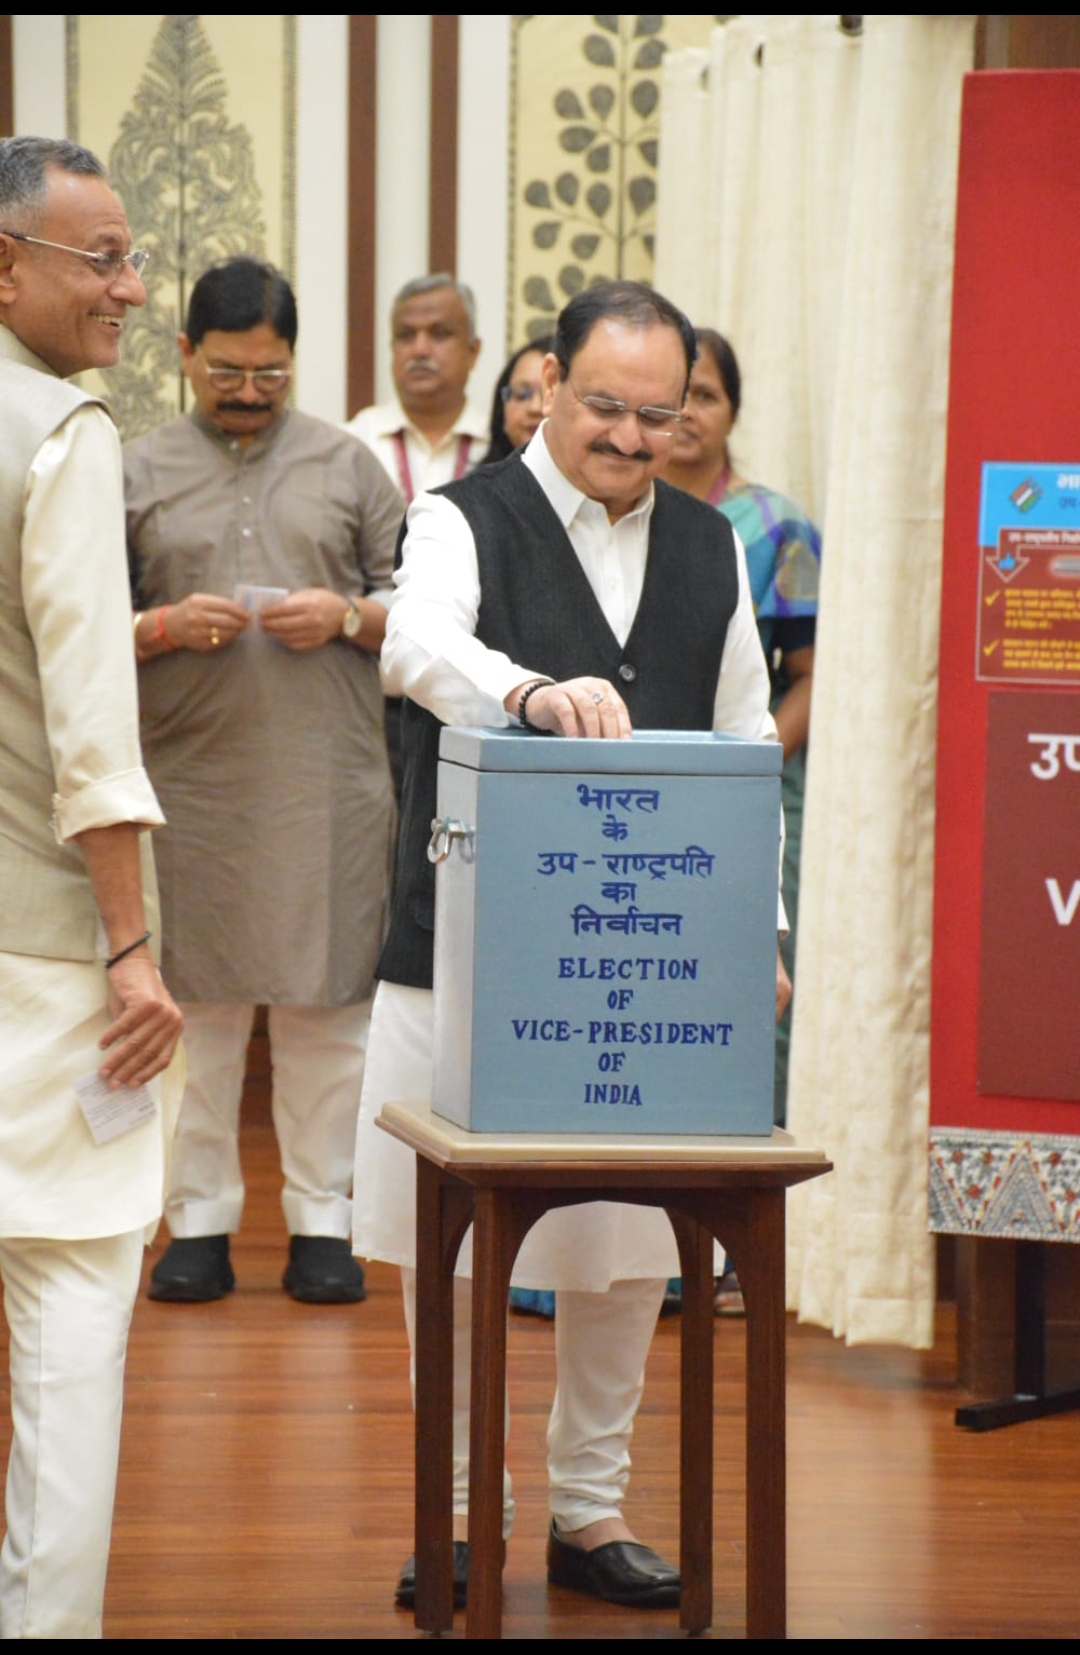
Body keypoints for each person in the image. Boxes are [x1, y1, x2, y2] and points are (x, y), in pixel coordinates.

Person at [352, 280, 790, 1611]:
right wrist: (526, 690)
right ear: (547, 382)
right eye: (604, 405)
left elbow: (747, 741)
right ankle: (464, 1512)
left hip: (651, 959)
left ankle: (589, 1507)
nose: (629, 436)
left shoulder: (713, 545)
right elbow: (414, 646)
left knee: (625, 1252)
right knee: (462, 1252)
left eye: (658, 416)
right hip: (473, 949)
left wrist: (753, 932)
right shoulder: (462, 517)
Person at [126, 257, 402, 1305]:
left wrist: (344, 615)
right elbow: (63, 628)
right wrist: (155, 626)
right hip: (186, 787)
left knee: (328, 1013)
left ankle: (322, 1220)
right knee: (194, 1012)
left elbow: (420, 614)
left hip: (324, 785)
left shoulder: (350, 465)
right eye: (228, 372)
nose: (248, 392)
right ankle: (194, 1220)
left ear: (297, 361)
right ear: (185, 353)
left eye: (271, 375)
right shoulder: (133, 466)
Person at [0, 134, 183, 1636]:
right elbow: (89, 726)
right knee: (70, 1317)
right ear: (8, 267)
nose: (132, 285)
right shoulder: (59, 435)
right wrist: (131, 944)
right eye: (101, 257)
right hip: (43, 960)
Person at [662, 326, 821, 1315]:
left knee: (750, 998)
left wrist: (753, 761)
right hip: (635, 795)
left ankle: (728, 1240)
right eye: (670, 396)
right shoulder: (607, 517)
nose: (683, 416)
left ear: (731, 413)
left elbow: (809, 675)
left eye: (705, 397)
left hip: (751, 788)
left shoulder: (775, 526)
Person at [346, 273, 488, 501]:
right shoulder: (353, 443)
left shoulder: (501, 444)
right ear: (392, 348)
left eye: (440, 334)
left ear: (473, 351)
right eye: (406, 335)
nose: (420, 349)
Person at [480, 335, 554, 464]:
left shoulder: (597, 481)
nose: (535, 408)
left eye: (550, 395)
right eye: (522, 395)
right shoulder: (479, 483)